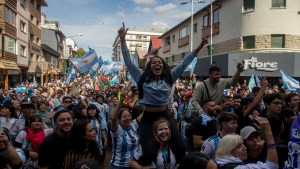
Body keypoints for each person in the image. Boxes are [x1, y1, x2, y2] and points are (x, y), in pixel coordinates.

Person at [118, 22, 207, 165]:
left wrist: (200, 47)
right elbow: (128, 61)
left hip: (165, 115)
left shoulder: (170, 77)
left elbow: (185, 62)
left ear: (163, 66)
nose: (157, 64)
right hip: (147, 118)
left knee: (180, 147)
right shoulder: (142, 77)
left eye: (160, 62)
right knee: (149, 152)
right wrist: (122, 39)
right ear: (150, 66)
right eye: (154, 63)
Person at [110, 93, 142, 169]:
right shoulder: (117, 131)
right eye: (124, 117)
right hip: (119, 166)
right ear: (119, 120)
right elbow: (113, 118)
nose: (128, 118)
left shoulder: (132, 125)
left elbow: (145, 113)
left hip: (133, 165)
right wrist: (121, 101)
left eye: (129, 116)